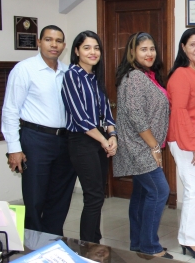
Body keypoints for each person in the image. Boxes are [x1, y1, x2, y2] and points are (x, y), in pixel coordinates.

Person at [2, 25, 76, 235]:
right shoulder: (24, 69)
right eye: (48, 40)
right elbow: (10, 111)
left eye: (59, 41)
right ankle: (32, 245)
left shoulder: (67, 71)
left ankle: (53, 241)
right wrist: (14, 148)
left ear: (64, 45)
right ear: (39, 42)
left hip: (64, 141)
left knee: (60, 196)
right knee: (35, 197)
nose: (54, 45)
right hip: (35, 139)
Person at [113, 32, 172, 259]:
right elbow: (137, 117)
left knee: (141, 193)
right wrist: (154, 147)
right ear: (132, 53)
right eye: (143, 49)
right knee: (159, 191)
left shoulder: (147, 75)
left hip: (143, 144)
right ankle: (149, 245)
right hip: (139, 146)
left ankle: (138, 242)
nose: (149, 53)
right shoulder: (135, 77)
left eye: (151, 49)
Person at [61, 30, 117, 244]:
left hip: (99, 139)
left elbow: (107, 111)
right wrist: (104, 140)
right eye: (87, 47)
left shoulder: (95, 77)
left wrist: (113, 135)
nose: (93, 52)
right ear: (76, 51)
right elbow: (81, 118)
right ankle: (88, 246)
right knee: (93, 196)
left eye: (96, 48)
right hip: (82, 141)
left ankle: (95, 242)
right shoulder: (71, 75)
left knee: (97, 196)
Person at [167, 28, 195, 260]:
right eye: (193, 44)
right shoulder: (181, 75)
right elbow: (179, 112)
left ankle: (190, 233)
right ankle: (188, 241)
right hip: (188, 141)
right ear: (183, 47)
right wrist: (194, 144)